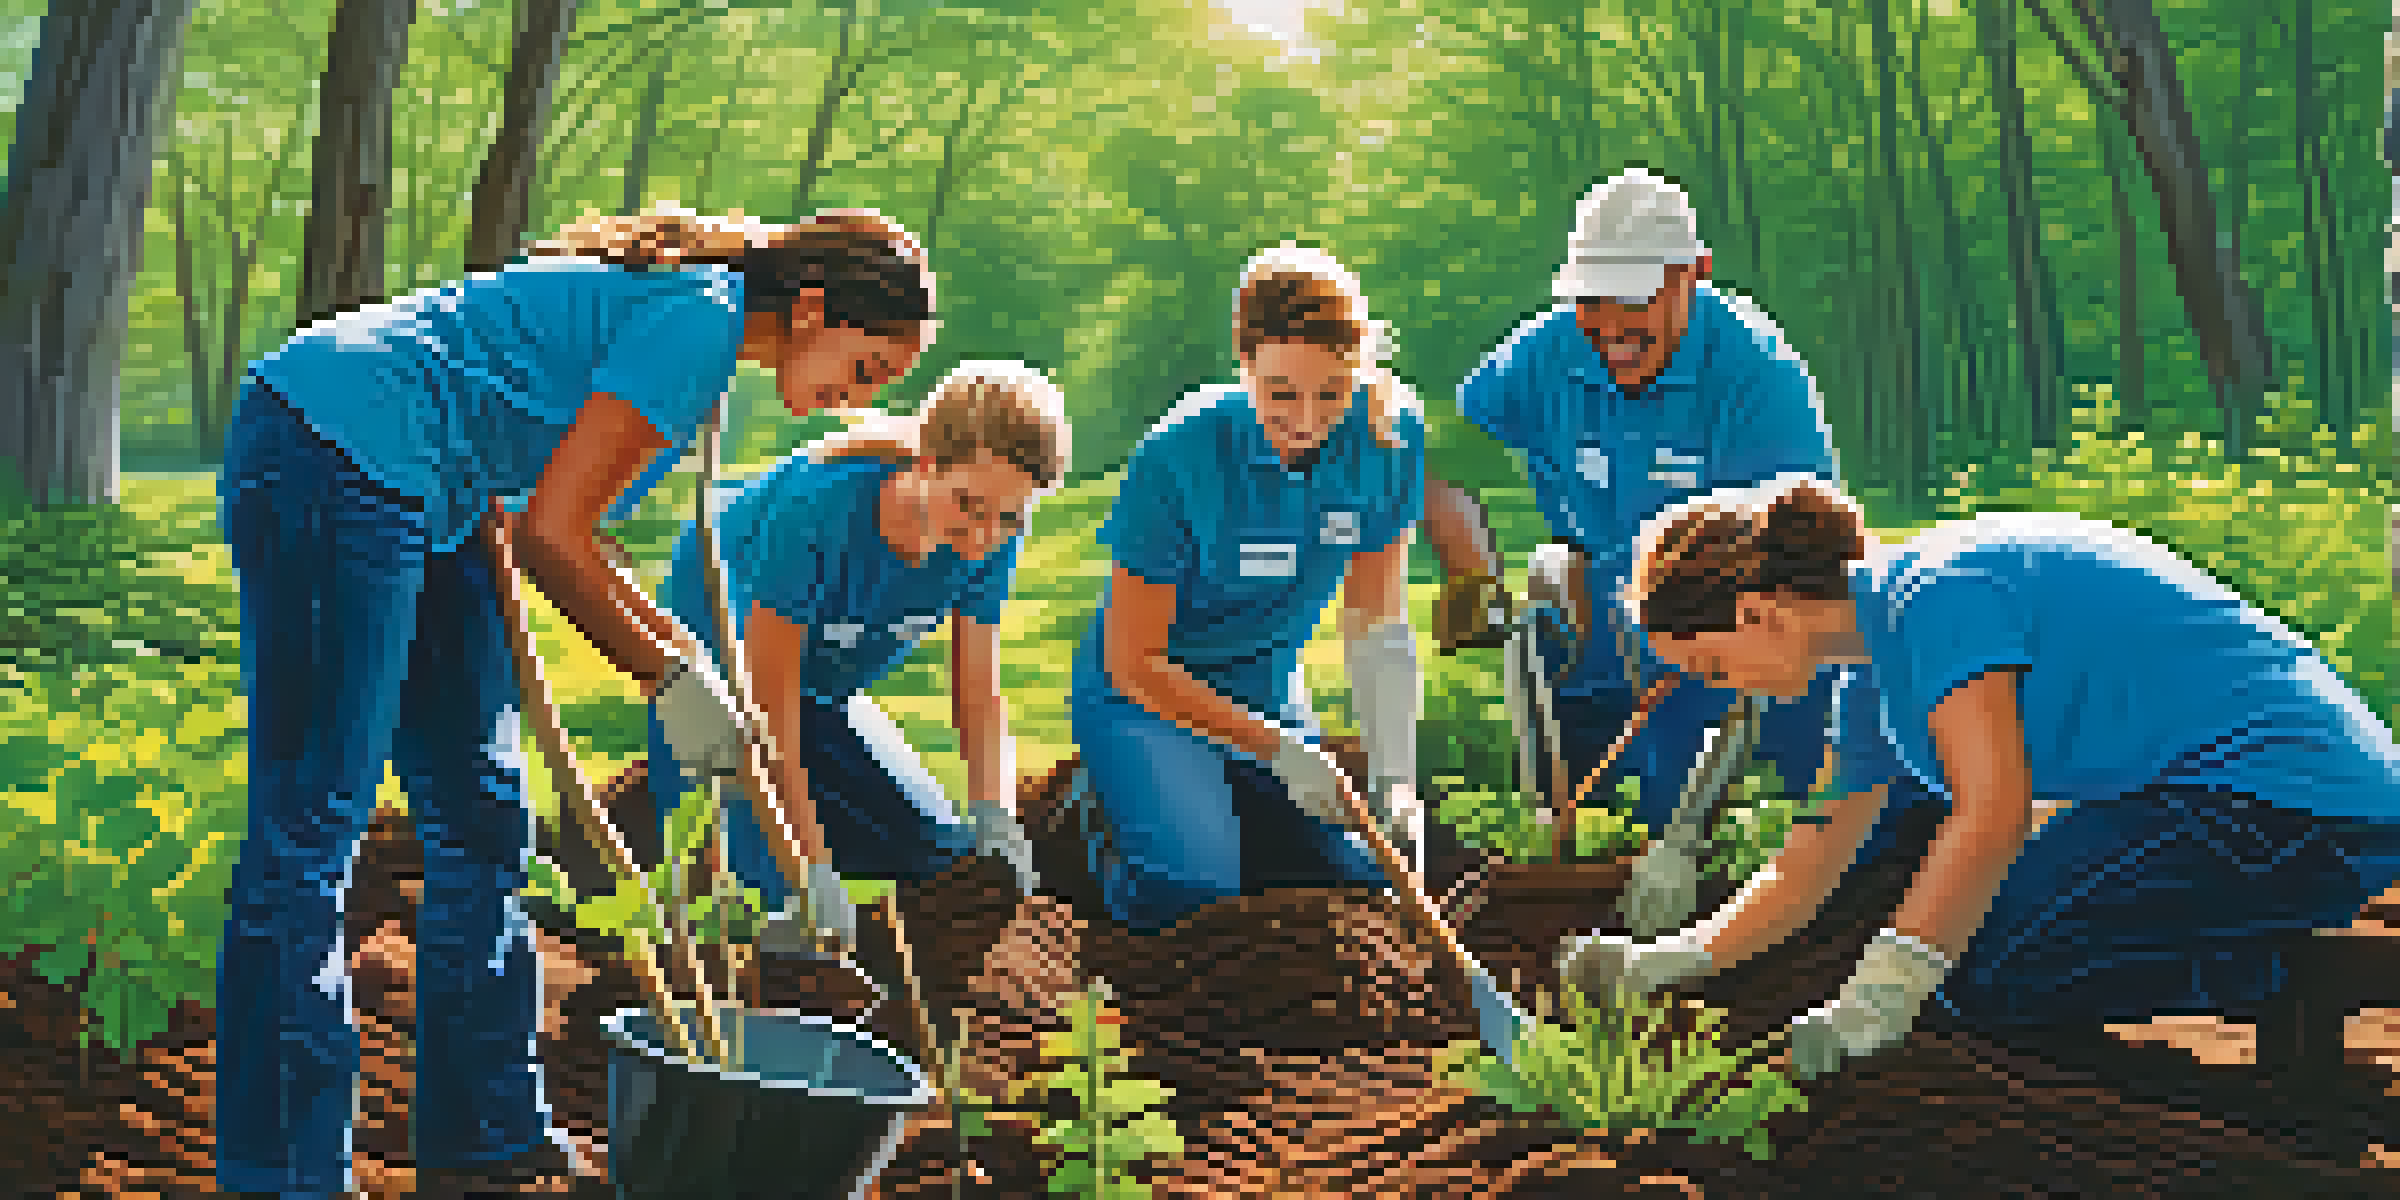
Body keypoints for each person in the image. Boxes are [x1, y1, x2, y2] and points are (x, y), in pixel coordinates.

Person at [214, 207, 936, 1197]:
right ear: (811, 309)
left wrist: (697, 671)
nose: (850, 403)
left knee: (482, 817)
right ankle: (281, 1174)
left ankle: (484, 1141)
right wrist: (670, 681)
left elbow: (559, 519)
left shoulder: (705, 329)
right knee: (312, 827)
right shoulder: (699, 323)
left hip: (441, 486)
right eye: (864, 370)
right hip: (333, 444)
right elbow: (560, 536)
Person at [1559, 475, 2400, 1081]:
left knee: (1992, 973)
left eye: (1712, 662)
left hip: (2294, 804)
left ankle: (2301, 974)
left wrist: (1881, 994)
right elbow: (1807, 863)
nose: (1725, 684)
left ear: (1757, 613)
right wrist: (1673, 960)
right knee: (1969, 960)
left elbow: (1994, 812)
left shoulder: (1938, 597)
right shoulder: (1869, 686)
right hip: (2202, 801)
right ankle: (2262, 952)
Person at [564, 361, 1065, 953]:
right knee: (766, 915)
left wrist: (996, 818)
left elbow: (977, 691)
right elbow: (769, 709)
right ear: (926, 466)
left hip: (821, 684)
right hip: (726, 660)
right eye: (970, 506)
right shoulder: (817, 512)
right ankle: (667, 805)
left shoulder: (993, 530)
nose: (986, 535)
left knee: (944, 856)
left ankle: (699, 800)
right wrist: (811, 870)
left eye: (1010, 516)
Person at [1419, 168, 1844, 841]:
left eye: (1632, 298)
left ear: (1693, 274)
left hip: (1720, 632)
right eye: (1591, 299)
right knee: (1583, 822)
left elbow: (1802, 561)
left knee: (1695, 828)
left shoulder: (1758, 377)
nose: (1609, 324)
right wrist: (1471, 569)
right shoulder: (1543, 354)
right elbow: (1435, 452)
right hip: (1595, 621)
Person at [1069, 243, 1426, 935]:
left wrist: (1395, 774)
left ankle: (1216, 798)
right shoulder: (1178, 457)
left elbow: (1378, 618)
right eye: (1280, 393)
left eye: (1332, 392)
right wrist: (1280, 751)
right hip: (1146, 697)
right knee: (1193, 891)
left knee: (1358, 873)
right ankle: (1098, 820)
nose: (1307, 419)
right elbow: (1132, 661)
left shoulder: (1389, 437)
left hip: (1264, 686)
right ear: (1245, 365)